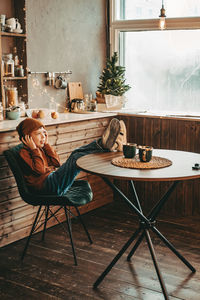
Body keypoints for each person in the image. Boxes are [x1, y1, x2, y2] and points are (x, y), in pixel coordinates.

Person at [16, 117, 127, 196]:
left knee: (75, 153)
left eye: (44, 133)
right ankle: (106, 146)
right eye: (38, 134)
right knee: (75, 158)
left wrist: (46, 145)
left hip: (52, 180)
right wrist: (34, 150)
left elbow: (56, 163)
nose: (43, 137)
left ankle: (102, 144)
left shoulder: (40, 148)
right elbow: (39, 171)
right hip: (48, 187)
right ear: (27, 138)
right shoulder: (25, 153)